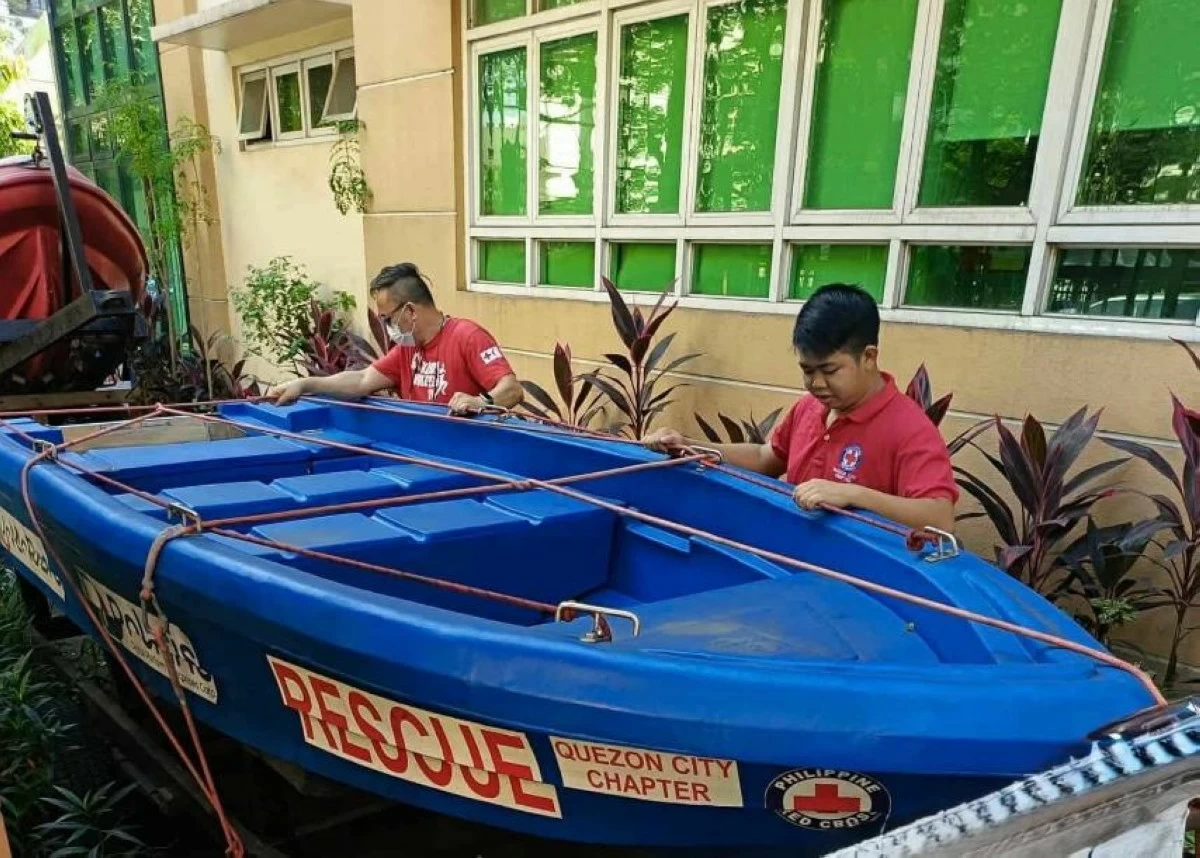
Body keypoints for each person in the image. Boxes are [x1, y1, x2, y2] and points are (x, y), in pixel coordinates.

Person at [644, 283, 957, 533]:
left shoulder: (909, 429)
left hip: (855, 580)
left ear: (869, 357)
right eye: (807, 371)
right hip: (792, 557)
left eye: (830, 370)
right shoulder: (810, 407)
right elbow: (765, 457)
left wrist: (852, 494)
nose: (816, 383)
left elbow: (940, 518)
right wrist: (688, 446)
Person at [269, 263, 523, 415]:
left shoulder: (467, 337)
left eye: (388, 319)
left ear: (410, 311)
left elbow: (512, 390)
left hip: (465, 457)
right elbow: (362, 380)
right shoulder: (407, 349)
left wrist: (479, 402)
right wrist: (305, 385)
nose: (387, 328)